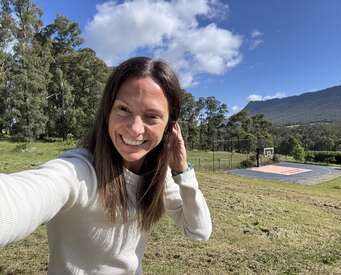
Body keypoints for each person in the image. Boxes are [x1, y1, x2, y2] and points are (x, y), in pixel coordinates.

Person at [0, 57, 212, 274]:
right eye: (123, 109)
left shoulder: (158, 175)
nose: (135, 129)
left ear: (170, 127)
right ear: (107, 112)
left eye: (152, 116)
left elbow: (199, 231)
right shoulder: (79, 171)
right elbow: (21, 197)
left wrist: (182, 170)